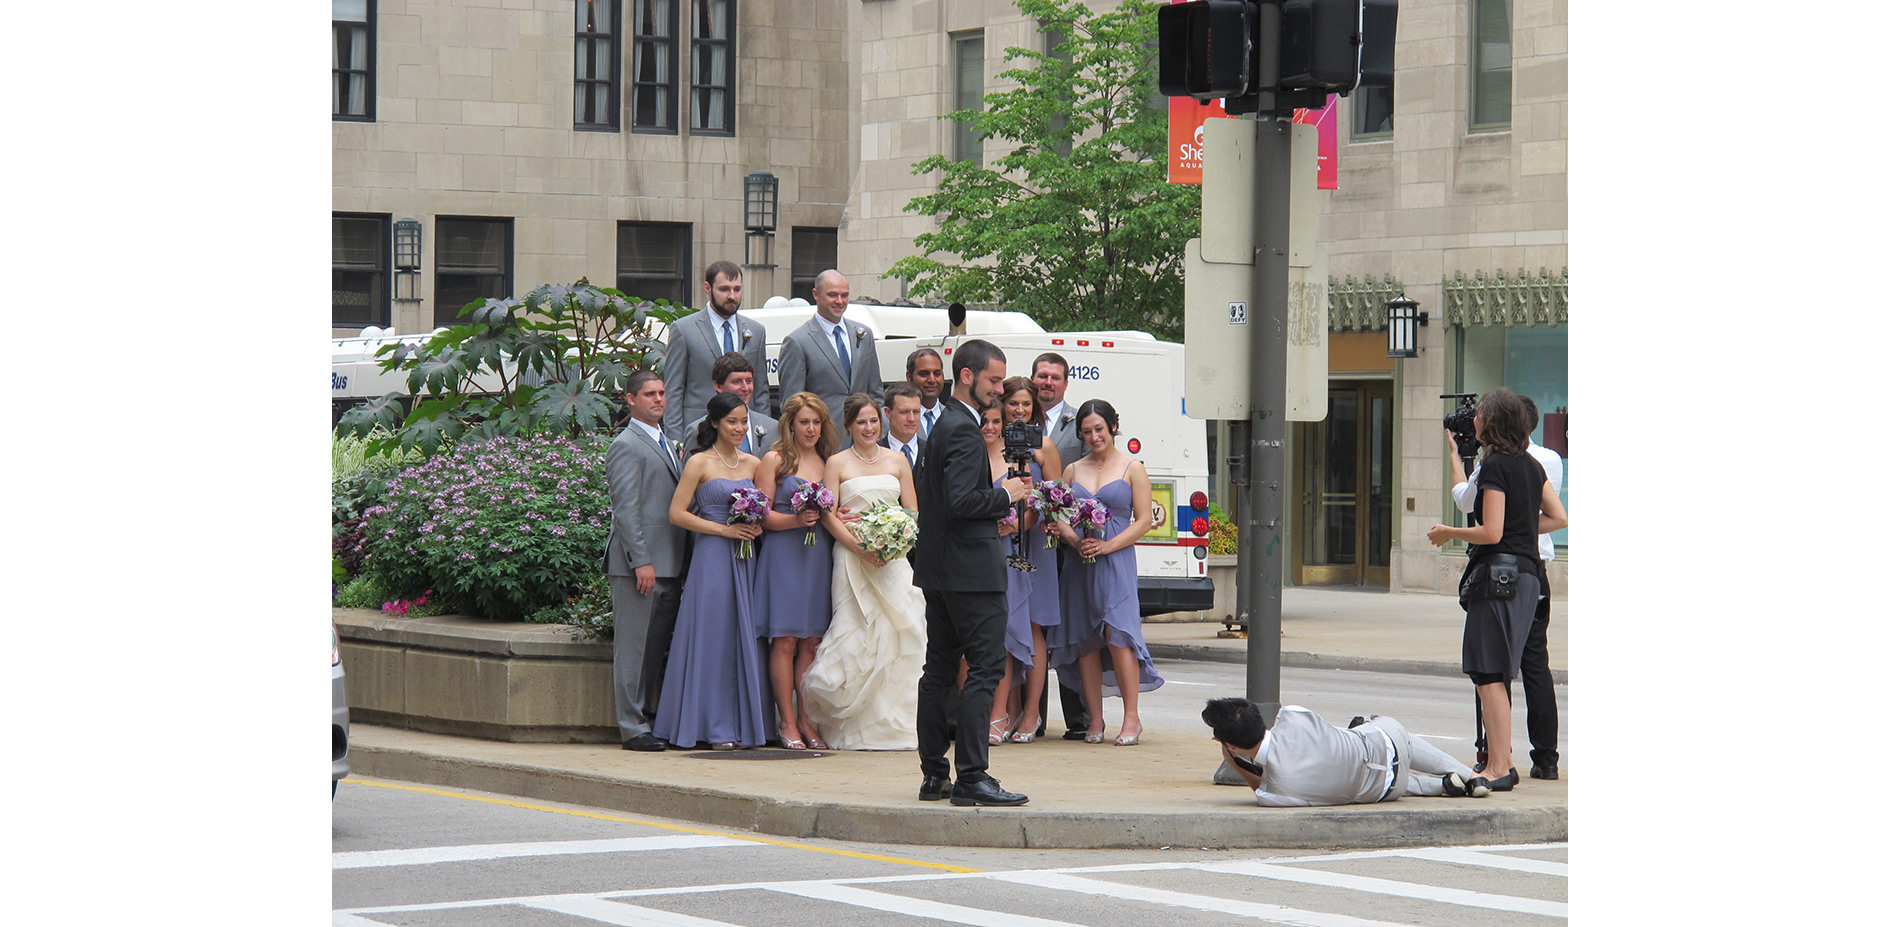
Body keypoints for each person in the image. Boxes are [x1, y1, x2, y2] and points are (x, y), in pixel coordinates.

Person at [1428, 388, 1568, 793]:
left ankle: (1499, 766)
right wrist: (1522, 530)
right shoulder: (1531, 467)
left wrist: (1447, 532)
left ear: (1492, 422)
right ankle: (1502, 762)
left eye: (1481, 414)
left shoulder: (1495, 468)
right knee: (1503, 670)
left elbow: (1490, 532)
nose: (1474, 420)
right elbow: (1558, 517)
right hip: (1528, 578)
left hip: (1498, 580)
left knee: (1489, 674)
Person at [912, 339, 1033, 806]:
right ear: (966, 376)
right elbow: (962, 502)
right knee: (985, 668)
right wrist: (1009, 494)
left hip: (941, 570)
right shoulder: (962, 429)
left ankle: (933, 774)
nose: (1000, 390)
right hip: (971, 573)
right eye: (994, 380)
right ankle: (972, 776)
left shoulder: (943, 423)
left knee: (939, 670)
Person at [801, 393, 928, 750]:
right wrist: (858, 546)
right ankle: (854, 729)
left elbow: (912, 512)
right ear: (849, 426)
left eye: (874, 421)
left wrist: (893, 541)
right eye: (861, 422)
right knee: (856, 631)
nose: (869, 428)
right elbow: (828, 513)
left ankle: (901, 726)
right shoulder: (837, 463)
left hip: (893, 559)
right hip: (852, 557)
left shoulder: (898, 459)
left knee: (907, 630)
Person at [652, 392, 774, 750]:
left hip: (746, 556)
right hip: (712, 557)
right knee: (713, 636)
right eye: (732, 421)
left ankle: (743, 725)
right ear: (716, 423)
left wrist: (754, 527)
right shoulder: (699, 463)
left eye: (743, 421)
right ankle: (709, 724)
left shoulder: (754, 463)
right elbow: (677, 513)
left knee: (743, 636)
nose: (739, 428)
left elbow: (765, 513)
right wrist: (725, 530)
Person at [1050, 399, 1165, 746]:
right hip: (1080, 562)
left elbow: (1143, 521)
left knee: (1119, 636)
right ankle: (1095, 720)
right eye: (1086, 431)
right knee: (1085, 639)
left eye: (1099, 429)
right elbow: (1058, 515)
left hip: (1115, 560)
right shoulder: (1072, 469)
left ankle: (1132, 718)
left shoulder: (1133, 468)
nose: (1094, 436)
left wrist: (1107, 546)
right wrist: (1073, 540)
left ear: (1112, 427)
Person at [603, 370, 688, 752]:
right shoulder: (626, 444)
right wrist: (641, 561)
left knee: (653, 649)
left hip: (670, 562)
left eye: (662, 393)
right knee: (634, 649)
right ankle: (631, 726)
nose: (658, 399)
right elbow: (626, 510)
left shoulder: (667, 442)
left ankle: (647, 717)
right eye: (649, 394)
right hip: (640, 567)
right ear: (631, 399)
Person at [752, 391, 839, 751]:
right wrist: (795, 519)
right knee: (786, 639)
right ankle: (786, 722)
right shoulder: (775, 460)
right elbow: (760, 514)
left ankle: (807, 719)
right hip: (784, 555)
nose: (811, 428)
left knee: (812, 642)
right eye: (804, 422)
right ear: (790, 424)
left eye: (817, 422)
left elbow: (835, 511)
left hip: (819, 555)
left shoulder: (828, 461)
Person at [1202, 699, 1482, 805]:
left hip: (1385, 792)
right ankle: (1470, 775)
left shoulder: (1275, 792)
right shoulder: (1293, 715)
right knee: (1372, 730)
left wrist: (1235, 762)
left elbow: (1261, 788)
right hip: (1390, 742)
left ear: (1230, 744)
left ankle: (1443, 786)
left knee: (1372, 779)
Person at [987, 377, 1063, 744]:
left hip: (1034, 543)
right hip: (1003, 542)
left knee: (1032, 626)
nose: (1019, 410)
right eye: (1012, 404)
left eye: (1025, 404)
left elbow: (1057, 496)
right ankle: (1008, 709)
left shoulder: (1044, 446)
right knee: (1006, 625)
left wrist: (1037, 515)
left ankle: (1032, 712)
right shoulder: (994, 443)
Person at [1029, 352, 1087, 740]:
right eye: (1042, 376)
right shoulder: (1015, 421)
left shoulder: (1078, 423)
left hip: (1072, 541)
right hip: (1033, 540)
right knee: (1033, 625)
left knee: (1070, 627)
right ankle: (1034, 716)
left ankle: (1079, 717)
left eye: (1055, 377)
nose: (1048, 383)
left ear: (1066, 383)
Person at [662, 261, 770, 441]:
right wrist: (676, 442)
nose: (732, 296)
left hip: (744, 435)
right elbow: (673, 390)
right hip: (700, 433)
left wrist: (764, 436)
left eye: (737, 289)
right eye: (724, 289)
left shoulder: (756, 331)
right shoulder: (684, 330)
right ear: (707, 288)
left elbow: (760, 392)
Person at [775, 269, 883, 430]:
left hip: (864, 438)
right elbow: (791, 405)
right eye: (832, 295)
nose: (839, 301)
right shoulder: (797, 342)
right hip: (823, 440)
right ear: (816, 294)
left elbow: (875, 392)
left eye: (844, 295)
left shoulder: (864, 335)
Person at [685, 352, 778, 456]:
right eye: (736, 382)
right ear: (718, 386)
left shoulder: (772, 427)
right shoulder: (697, 431)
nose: (745, 388)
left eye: (749, 381)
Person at [906, 348, 947, 442]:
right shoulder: (888, 419)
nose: (932, 380)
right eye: (924, 374)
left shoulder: (956, 417)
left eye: (937, 374)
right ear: (909, 377)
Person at [881, 383, 925, 467]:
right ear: (888, 412)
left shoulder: (934, 452)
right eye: (904, 412)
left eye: (916, 412)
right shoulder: (874, 454)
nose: (911, 419)